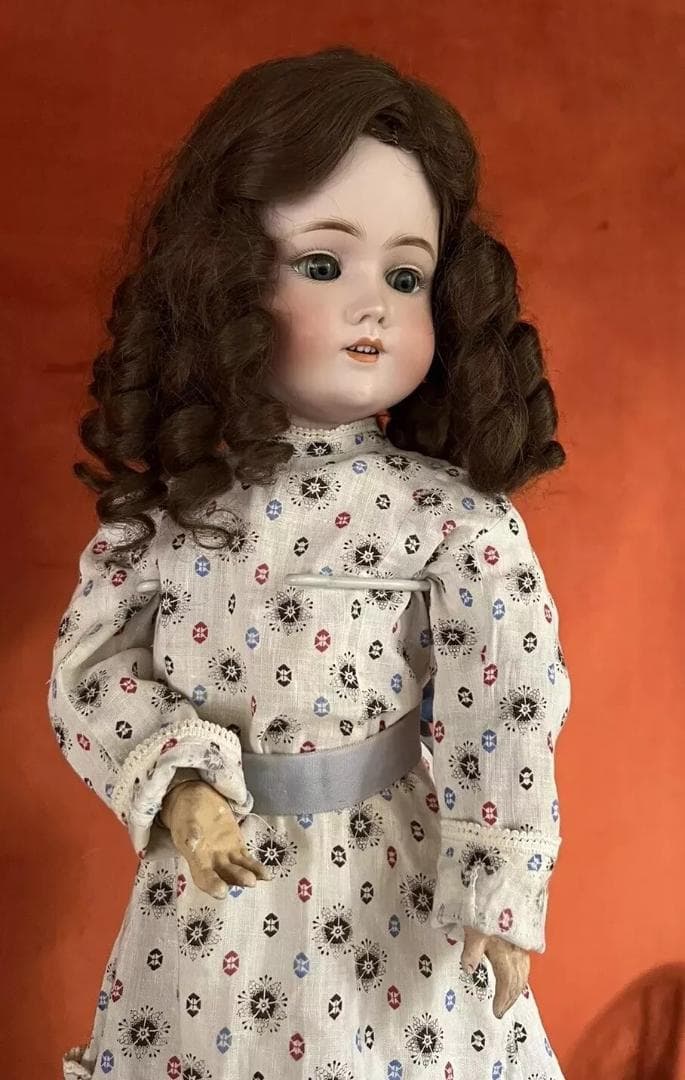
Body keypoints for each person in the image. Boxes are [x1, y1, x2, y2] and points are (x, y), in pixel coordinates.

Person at [48, 45, 571, 1079]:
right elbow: (95, 668)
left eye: (406, 276)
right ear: (226, 281)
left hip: (392, 883)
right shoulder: (173, 511)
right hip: (214, 890)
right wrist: (179, 781)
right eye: (324, 265)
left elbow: (506, 696)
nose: (373, 305)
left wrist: (500, 886)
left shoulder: (447, 518)